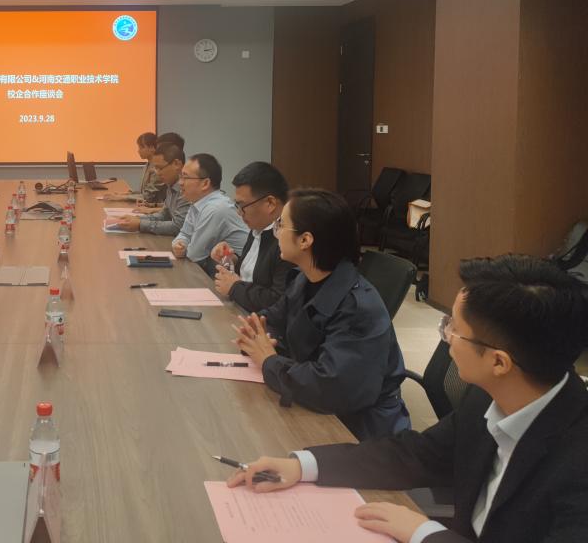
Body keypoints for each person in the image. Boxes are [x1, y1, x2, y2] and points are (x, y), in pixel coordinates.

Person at [227, 255, 588, 543]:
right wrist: (303, 465)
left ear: (499, 362)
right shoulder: (490, 398)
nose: (447, 337)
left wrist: (425, 533)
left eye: (454, 329)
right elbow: (415, 454)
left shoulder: (577, 461)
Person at [234, 188, 410, 439]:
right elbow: (273, 318)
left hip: (360, 429)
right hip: (316, 406)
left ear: (305, 240)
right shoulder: (303, 279)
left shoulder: (358, 309)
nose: (276, 232)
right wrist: (258, 334)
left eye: (281, 225)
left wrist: (270, 361)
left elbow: (330, 387)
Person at [208, 161, 293, 312]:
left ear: (270, 203)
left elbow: (279, 301)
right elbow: (252, 276)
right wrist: (231, 259)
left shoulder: (287, 240)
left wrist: (235, 287)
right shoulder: (258, 228)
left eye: (243, 206)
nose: (239, 212)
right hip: (241, 309)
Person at [171, 153, 248, 268]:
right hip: (217, 267)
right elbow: (184, 234)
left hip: (240, 271)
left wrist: (184, 248)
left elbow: (194, 255)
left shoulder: (215, 208)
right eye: (180, 177)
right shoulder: (197, 203)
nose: (180, 183)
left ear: (205, 183)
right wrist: (178, 244)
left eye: (185, 177)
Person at [112, 142, 190, 236]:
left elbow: (178, 227)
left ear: (176, 164)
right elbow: (164, 215)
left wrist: (140, 224)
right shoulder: (171, 185)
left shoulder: (187, 188)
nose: (157, 173)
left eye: (160, 168)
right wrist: (137, 219)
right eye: (156, 168)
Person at [104, 132, 166, 205]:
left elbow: (148, 196)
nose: (138, 151)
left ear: (151, 148)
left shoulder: (157, 168)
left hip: (152, 208)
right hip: (145, 205)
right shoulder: (148, 165)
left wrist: (122, 198)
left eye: (141, 147)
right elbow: (143, 192)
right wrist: (125, 194)